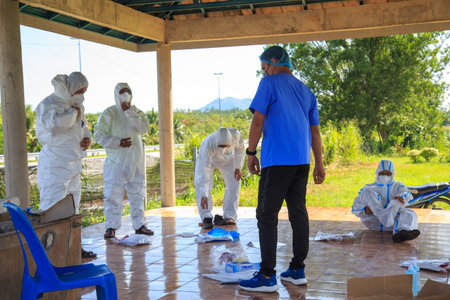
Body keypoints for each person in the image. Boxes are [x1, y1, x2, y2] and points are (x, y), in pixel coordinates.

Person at [238, 46, 326, 292]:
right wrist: (319, 163)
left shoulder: (269, 84)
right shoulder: (305, 90)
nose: (263, 72)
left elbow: (257, 120)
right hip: (301, 161)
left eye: (264, 67)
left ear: (274, 61)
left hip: (277, 161)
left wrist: (251, 153)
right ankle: (297, 270)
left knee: (266, 215)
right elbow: (315, 132)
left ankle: (267, 276)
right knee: (298, 212)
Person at [36, 72, 96, 258]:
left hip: (74, 164)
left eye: (85, 91)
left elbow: (83, 129)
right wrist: (73, 113)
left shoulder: (77, 106)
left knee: (73, 209)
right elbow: (54, 126)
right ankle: (50, 253)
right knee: (51, 209)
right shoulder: (48, 104)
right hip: (54, 165)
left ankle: (74, 247)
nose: (82, 95)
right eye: (80, 90)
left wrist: (87, 139)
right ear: (70, 88)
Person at [94, 83, 154, 239]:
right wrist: (118, 142)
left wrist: (129, 112)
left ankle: (140, 225)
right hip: (116, 164)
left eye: (128, 91)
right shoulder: (109, 113)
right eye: (122, 92)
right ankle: (111, 227)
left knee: (138, 194)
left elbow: (143, 129)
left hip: (136, 163)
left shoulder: (137, 112)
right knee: (113, 196)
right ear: (116, 94)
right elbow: (99, 135)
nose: (125, 94)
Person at [352, 159, 420, 243]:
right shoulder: (368, 188)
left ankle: (401, 233)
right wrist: (364, 210)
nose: (385, 176)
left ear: (392, 174)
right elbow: (354, 208)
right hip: (374, 221)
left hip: (393, 221)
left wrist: (401, 198)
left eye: (388, 173)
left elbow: (406, 193)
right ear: (377, 173)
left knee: (410, 213)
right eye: (382, 173)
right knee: (368, 193)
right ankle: (384, 217)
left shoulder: (398, 186)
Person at [195, 127, 245, 229]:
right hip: (209, 161)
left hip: (229, 160)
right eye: (220, 146)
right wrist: (204, 193)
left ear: (231, 141)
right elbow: (203, 171)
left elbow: (240, 150)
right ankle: (206, 216)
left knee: (235, 182)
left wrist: (238, 167)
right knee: (201, 186)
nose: (222, 149)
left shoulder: (236, 136)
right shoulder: (207, 144)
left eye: (225, 146)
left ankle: (230, 216)